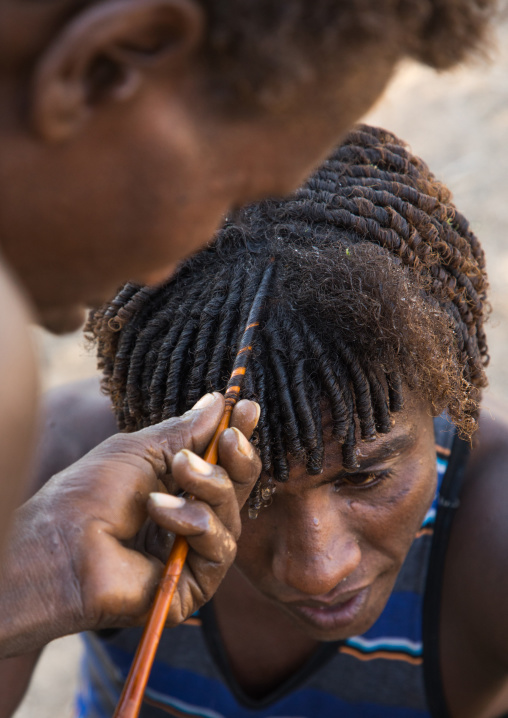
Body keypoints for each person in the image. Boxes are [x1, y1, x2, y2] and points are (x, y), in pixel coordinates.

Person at [0, 0, 498, 665]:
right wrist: (33, 580)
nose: (315, 569)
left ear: (448, 391)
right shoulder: (66, 485)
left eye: (365, 477)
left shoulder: (487, 535)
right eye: (245, 490)